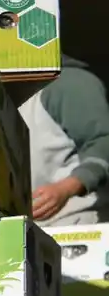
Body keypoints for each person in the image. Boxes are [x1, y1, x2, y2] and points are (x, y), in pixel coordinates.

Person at [19, 56, 109, 225]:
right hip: (25, 231)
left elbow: (103, 141)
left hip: (75, 223)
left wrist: (67, 188)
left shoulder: (70, 84)